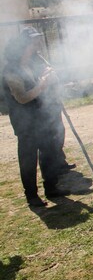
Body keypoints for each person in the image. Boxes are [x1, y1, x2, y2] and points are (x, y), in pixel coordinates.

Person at [2, 27, 71, 207]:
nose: (36, 45)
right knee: (28, 159)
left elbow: (48, 73)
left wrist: (49, 75)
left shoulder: (33, 62)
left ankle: (51, 187)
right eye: (32, 43)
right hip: (24, 122)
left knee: (49, 151)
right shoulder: (11, 70)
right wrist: (42, 84)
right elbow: (22, 97)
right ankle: (31, 195)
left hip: (41, 117)